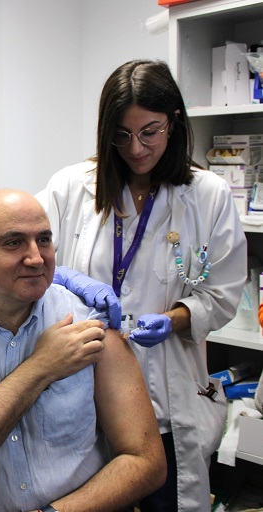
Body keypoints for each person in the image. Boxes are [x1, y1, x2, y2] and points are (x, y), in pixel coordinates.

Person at [38, 59, 248, 511]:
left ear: (173, 123)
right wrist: (66, 276)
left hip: (166, 392)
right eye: (121, 134)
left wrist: (174, 320)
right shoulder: (71, 186)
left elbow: (222, 291)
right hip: (85, 388)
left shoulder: (206, 195)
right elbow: (31, 260)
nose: (135, 148)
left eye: (149, 131)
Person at [0, 189, 166, 512]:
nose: (36, 258)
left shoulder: (89, 319)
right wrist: (41, 366)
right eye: (13, 242)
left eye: (44, 240)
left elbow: (146, 460)